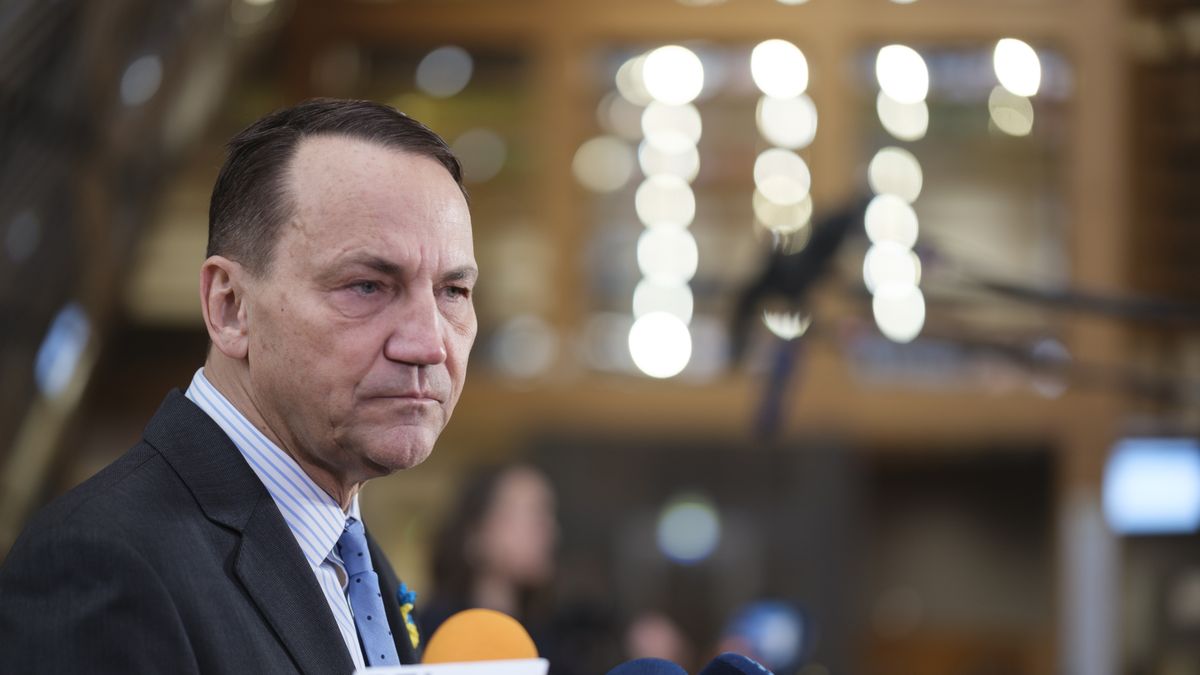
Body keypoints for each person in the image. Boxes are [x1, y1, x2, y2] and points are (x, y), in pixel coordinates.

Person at [0, 98, 478, 674]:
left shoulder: (352, 558)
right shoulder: (98, 564)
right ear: (229, 308)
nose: (429, 344)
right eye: (367, 287)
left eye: (453, 292)